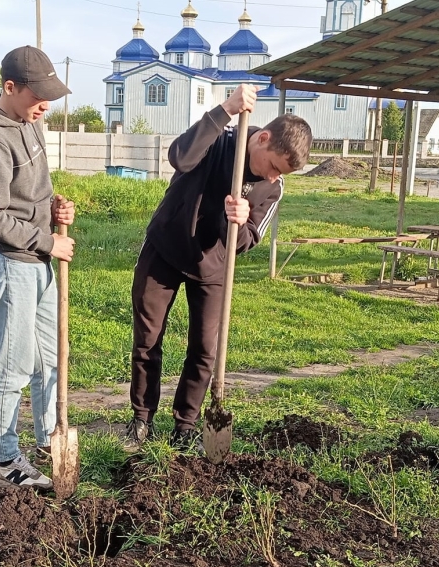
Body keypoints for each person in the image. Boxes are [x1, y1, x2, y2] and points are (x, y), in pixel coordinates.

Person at [121, 84, 313, 452]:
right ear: (263, 139)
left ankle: (185, 425)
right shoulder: (220, 140)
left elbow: (247, 242)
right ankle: (141, 419)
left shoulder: (273, 188)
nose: (272, 178)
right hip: (165, 248)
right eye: (273, 166)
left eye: (280, 174)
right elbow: (179, 156)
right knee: (147, 341)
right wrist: (225, 108)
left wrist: (239, 223)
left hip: (213, 268)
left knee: (204, 348)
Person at [0, 45, 76, 490]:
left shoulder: (28, 122)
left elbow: (27, 194)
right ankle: (6, 461)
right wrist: (47, 239)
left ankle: (50, 437)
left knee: (51, 358)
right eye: (37, 96)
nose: (45, 105)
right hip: (12, 266)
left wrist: (52, 209)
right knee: (14, 365)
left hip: (41, 260)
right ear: (9, 88)